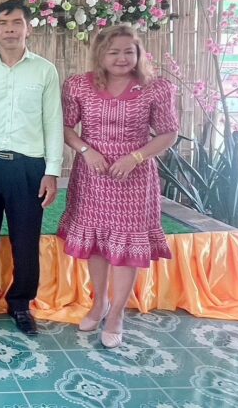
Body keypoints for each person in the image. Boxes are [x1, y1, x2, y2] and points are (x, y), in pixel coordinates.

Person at [58, 25, 178, 348]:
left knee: (126, 248)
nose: (121, 58)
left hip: (134, 179)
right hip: (92, 176)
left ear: (139, 54)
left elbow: (168, 133)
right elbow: (65, 127)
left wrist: (136, 157)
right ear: (100, 54)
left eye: (129, 51)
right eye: (113, 52)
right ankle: (99, 303)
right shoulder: (78, 85)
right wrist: (86, 150)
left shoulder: (155, 89)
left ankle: (117, 314)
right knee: (96, 244)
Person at [0, 0, 63, 336]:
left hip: (29, 167)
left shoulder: (45, 71)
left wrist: (52, 171)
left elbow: (53, 121)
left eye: (17, 23)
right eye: (3, 23)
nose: (10, 30)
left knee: (25, 240)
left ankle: (21, 304)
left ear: (28, 28)